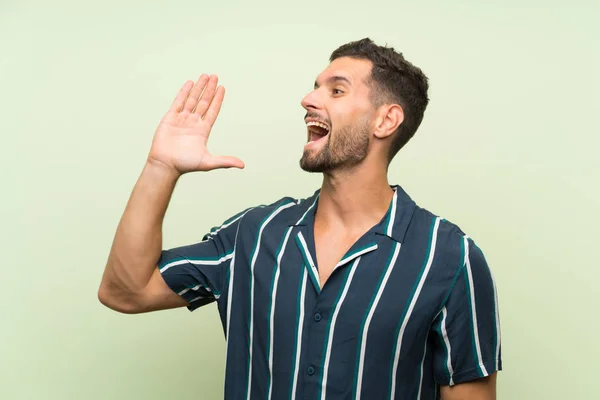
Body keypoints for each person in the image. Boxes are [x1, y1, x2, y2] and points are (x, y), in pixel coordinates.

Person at [98, 38, 501, 400]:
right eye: (315, 86)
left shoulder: (450, 259)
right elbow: (125, 292)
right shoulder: (254, 235)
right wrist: (161, 167)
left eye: (336, 90)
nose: (308, 99)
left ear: (386, 120)